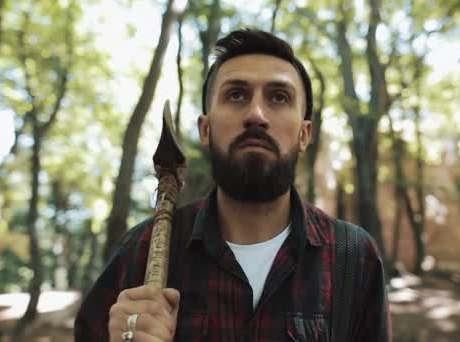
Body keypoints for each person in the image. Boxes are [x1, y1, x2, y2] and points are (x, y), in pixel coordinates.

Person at [75, 28, 390, 342]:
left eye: (279, 97)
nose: (256, 114)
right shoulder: (141, 251)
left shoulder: (352, 259)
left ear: (304, 134)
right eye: (236, 95)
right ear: (206, 129)